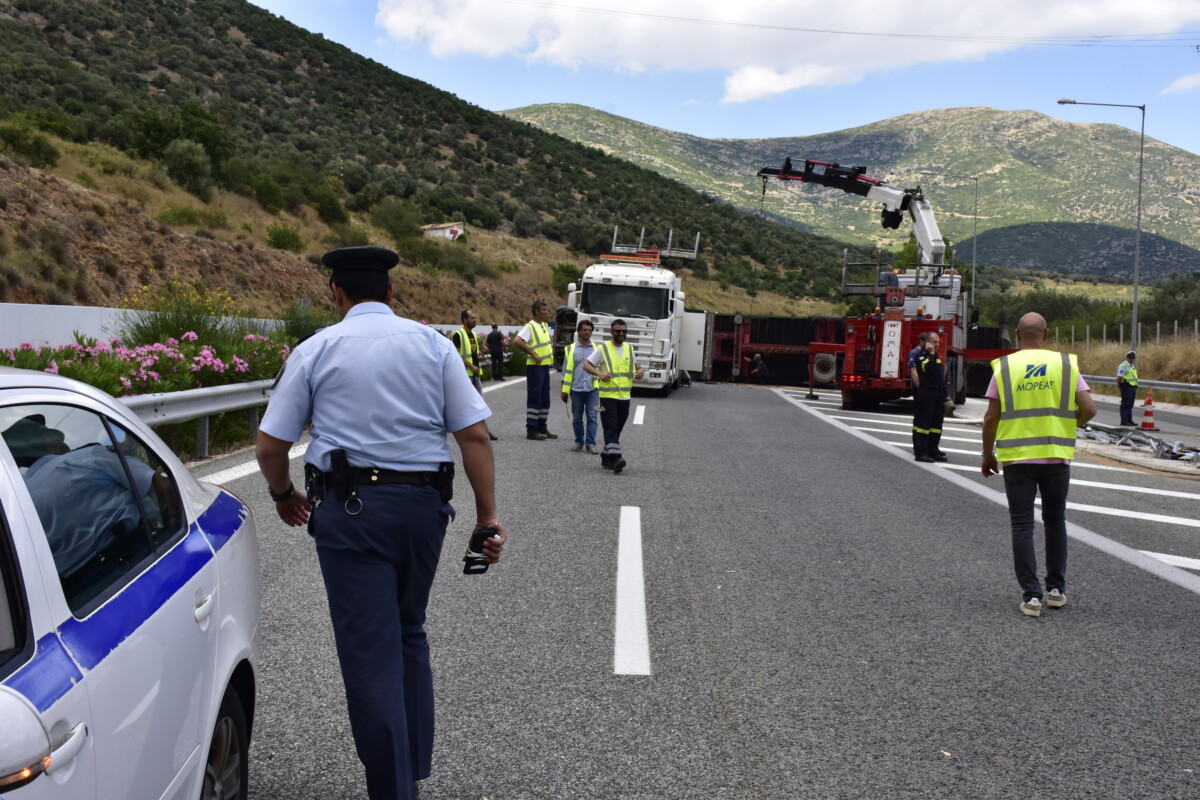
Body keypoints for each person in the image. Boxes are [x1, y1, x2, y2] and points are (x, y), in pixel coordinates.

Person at [255, 246, 507, 800]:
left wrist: (282, 494)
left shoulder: (317, 349)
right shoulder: (434, 346)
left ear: (336, 294)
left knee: (370, 651)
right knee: (409, 629)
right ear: (392, 294)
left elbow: (272, 446)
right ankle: (411, 765)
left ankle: (395, 791)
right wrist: (487, 517)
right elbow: (474, 436)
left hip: (350, 513)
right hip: (424, 511)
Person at [981, 312, 1096, 618]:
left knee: (1022, 524)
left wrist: (986, 454)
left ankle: (1032, 596)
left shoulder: (1004, 367)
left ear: (1017, 334)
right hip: (1056, 456)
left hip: (1017, 458)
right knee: (1055, 520)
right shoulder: (1065, 365)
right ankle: (1056, 590)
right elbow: (1089, 408)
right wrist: (1068, 425)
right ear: (1046, 334)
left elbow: (991, 417)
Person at [582, 319, 644, 473]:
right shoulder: (603, 349)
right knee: (610, 426)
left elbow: (637, 367)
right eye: (618, 331)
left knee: (616, 429)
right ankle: (616, 458)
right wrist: (599, 373)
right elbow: (586, 365)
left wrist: (641, 372)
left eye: (624, 331)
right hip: (608, 396)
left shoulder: (629, 349)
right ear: (612, 332)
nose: (621, 334)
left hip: (624, 397)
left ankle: (605, 456)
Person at [511, 300, 557, 440]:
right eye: (543, 309)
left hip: (544, 367)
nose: (546, 312)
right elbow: (517, 341)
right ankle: (531, 429)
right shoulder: (530, 326)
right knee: (535, 398)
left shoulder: (543, 325)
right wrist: (532, 354)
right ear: (536, 311)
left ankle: (542, 427)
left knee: (544, 399)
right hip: (534, 367)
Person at [452, 309, 499, 441]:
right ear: (465, 320)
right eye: (472, 318)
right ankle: (469, 432)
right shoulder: (458, 335)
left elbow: (472, 353)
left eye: (475, 317)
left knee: (480, 403)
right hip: (465, 375)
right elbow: (455, 355)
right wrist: (471, 366)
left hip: (475, 374)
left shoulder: (472, 334)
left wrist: (480, 358)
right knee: (466, 405)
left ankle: (483, 431)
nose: (475, 320)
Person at [560, 319, 599, 454]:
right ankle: (579, 442)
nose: (587, 332)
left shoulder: (597, 349)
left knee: (592, 416)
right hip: (576, 389)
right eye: (584, 329)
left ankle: (590, 444)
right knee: (577, 417)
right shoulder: (570, 349)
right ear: (578, 331)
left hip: (592, 389)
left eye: (589, 330)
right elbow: (565, 370)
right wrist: (563, 390)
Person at [911, 332, 948, 463]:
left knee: (936, 425)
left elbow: (939, 377)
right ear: (927, 343)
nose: (937, 344)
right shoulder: (920, 356)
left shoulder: (936, 356)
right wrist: (931, 353)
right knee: (924, 425)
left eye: (938, 342)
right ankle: (921, 452)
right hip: (927, 397)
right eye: (934, 342)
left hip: (937, 397)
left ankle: (933, 450)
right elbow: (930, 369)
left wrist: (946, 396)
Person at [1117, 350, 1138, 426]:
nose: (1132, 359)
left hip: (1132, 387)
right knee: (1125, 404)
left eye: (1133, 358)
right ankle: (1124, 420)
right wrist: (1118, 384)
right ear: (1127, 357)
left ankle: (1129, 420)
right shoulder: (1123, 365)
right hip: (1126, 387)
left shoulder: (1132, 365)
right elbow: (1119, 377)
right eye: (1130, 358)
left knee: (1130, 404)